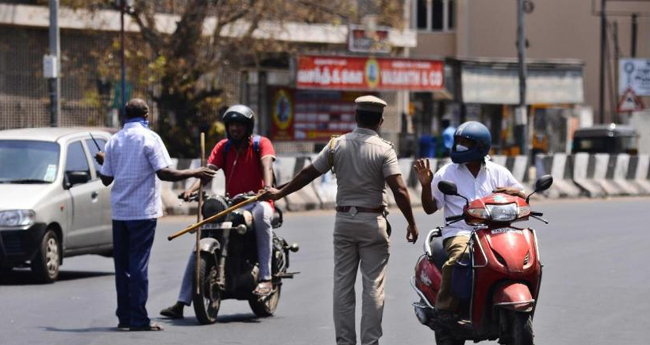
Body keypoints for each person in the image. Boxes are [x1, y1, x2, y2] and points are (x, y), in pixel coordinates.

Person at [260, 95, 419, 345]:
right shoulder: (384, 149)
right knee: (373, 288)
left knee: (343, 287)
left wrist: (280, 193)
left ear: (356, 117)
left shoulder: (337, 146)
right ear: (380, 121)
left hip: (344, 222)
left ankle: (345, 342)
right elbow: (399, 190)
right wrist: (411, 222)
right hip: (373, 222)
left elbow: (308, 173)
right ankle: (370, 342)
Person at [95, 98, 216, 331]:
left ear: (125, 116)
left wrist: (103, 161)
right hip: (142, 212)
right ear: (147, 115)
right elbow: (165, 173)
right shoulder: (150, 138)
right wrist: (195, 171)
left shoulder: (114, 141)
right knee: (138, 266)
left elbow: (106, 178)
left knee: (123, 268)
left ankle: (125, 317)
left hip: (120, 213)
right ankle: (139, 319)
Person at [160, 104, 276, 319]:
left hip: (258, 199)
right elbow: (207, 173)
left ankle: (266, 278)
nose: (235, 129)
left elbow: (267, 165)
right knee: (204, 234)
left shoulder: (261, 144)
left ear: (248, 127)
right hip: (233, 203)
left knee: (262, 214)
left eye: (239, 125)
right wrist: (191, 190)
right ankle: (181, 301)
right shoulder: (223, 147)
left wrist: (267, 189)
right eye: (231, 125)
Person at [412, 121, 524, 324]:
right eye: (458, 141)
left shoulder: (498, 172)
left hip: (495, 233)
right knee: (460, 257)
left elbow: (521, 194)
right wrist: (426, 185)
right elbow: (430, 208)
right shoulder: (446, 173)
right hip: (460, 232)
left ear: (481, 146)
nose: (459, 146)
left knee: (519, 256)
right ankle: (444, 307)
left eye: (465, 142)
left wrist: (512, 192)